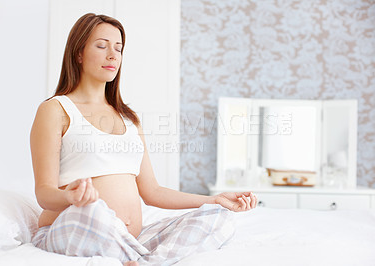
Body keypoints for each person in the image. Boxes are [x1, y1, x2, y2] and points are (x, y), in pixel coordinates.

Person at [30, 13, 257, 266]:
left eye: (118, 48)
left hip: (130, 239)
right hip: (74, 226)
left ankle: (145, 262)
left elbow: (152, 192)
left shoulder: (129, 118)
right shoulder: (56, 109)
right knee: (89, 213)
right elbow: (43, 193)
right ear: (78, 53)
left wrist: (213, 200)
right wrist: (71, 199)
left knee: (219, 217)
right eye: (102, 46)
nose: (113, 55)